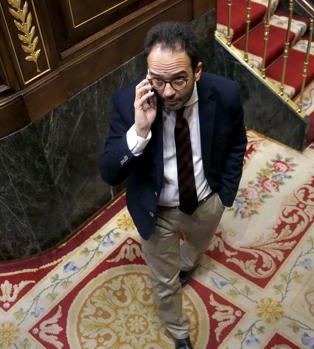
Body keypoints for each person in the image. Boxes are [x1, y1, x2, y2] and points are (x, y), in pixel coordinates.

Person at [99, 21, 246, 349]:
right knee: (164, 282)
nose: (167, 91)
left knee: (196, 246)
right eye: (157, 79)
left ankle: (187, 262)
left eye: (178, 79)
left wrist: (225, 195)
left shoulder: (224, 94)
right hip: (158, 212)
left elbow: (237, 144)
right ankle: (179, 332)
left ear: (197, 70)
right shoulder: (128, 102)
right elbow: (109, 173)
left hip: (207, 201)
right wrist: (139, 130)